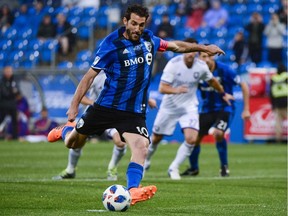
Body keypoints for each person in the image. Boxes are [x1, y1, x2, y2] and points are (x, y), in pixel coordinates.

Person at [47, 4, 225, 205]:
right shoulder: (111, 44)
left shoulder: (149, 39)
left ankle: (133, 191)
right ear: (125, 21)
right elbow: (88, 77)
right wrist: (74, 106)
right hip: (106, 107)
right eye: (133, 23)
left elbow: (177, 46)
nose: (137, 29)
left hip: (133, 111)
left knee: (141, 146)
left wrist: (205, 48)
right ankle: (65, 131)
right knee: (73, 143)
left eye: (141, 24)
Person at [144, 38, 233, 180]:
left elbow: (212, 81)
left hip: (189, 107)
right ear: (185, 51)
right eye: (188, 52)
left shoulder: (201, 66)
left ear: (196, 52)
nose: (191, 54)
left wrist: (223, 94)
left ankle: (174, 167)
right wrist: (176, 90)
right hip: (170, 106)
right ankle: (145, 161)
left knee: (191, 139)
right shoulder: (173, 64)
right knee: (155, 139)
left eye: (194, 52)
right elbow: (162, 88)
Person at [181, 51, 250, 177]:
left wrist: (246, 109)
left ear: (212, 57)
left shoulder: (225, 70)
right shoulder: (197, 72)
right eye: (202, 57)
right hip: (207, 109)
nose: (205, 60)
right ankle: (193, 168)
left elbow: (244, 85)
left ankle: (224, 167)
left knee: (218, 133)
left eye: (208, 56)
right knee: (194, 138)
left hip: (225, 108)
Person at [52, 71, 128, 181]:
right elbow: (81, 96)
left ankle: (112, 169)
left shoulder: (123, 74)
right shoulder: (98, 74)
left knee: (120, 141)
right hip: (94, 114)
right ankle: (70, 170)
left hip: (112, 114)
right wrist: (93, 103)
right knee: (76, 142)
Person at [269, 63, 287, 143]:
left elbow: (271, 93)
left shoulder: (273, 78)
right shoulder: (286, 76)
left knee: (278, 122)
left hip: (277, 102)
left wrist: (273, 104)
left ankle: (278, 139)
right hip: (286, 100)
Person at [0, 66, 19, 140]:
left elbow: (18, 92)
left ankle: (15, 137)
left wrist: (12, 92)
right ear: (4, 72)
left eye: (10, 71)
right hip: (3, 105)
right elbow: (5, 94)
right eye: (7, 71)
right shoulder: (1, 81)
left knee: (15, 122)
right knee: (1, 121)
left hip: (13, 105)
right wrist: (12, 92)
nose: (9, 73)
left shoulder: (14, 80)